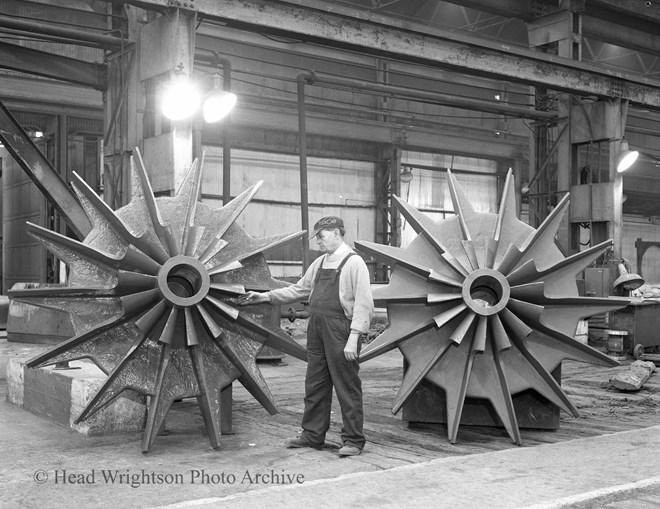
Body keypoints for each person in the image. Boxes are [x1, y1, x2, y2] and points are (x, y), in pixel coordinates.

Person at [238, 216, 374, 457]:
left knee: (346, 386)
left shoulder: (355, 263)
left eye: (321, 236)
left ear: (335, 233)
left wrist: (355, 336)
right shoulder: (320, 263)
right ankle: (312, 435)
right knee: (315, 384)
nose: (318, 242)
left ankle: (353, 440)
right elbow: (299, 289)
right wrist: (265, 297)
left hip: (341, 330)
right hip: (317, 328)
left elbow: (364, 303)